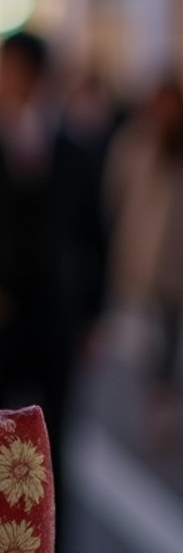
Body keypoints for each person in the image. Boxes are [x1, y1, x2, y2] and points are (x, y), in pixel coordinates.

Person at [0, 30, 103, 553]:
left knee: (55, 447)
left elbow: (94, 234)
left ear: (33, 75)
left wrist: (92, 315)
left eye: (10, 70)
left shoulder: (72, 146)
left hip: (55, 316)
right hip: (1, 318)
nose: (2, 81)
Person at [104, 74, 183, 441]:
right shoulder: (137, 143)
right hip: (148, 259)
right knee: (155, 338)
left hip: (172, 258)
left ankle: (163, 397)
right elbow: (115, 195)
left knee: (166, 335)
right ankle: (160, 400)